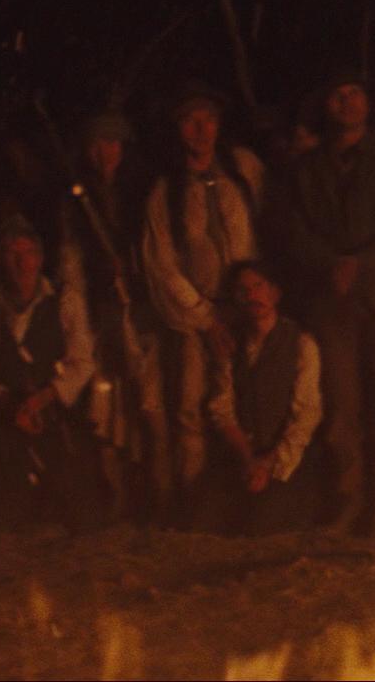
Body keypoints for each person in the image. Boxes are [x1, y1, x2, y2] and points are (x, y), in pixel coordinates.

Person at [281, 72, 375, 534]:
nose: (347, 102)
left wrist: (360, 263)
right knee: (340, 406)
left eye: (355, 93)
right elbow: (293, 230)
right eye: (338, 95)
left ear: (368, 103)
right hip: (332, 298)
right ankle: (347, 499)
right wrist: (330, 263)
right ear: (325, 106)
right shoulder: (305, 169)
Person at [140, 82, 265, 496]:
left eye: (208, 119)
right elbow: (162, 265)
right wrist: (206, 319)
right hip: (198, 313)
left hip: (249, 305)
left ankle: (248, 489)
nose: (200, 129)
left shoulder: (243, 171)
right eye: (190, 121)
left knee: (246, 401)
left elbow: (267, 229)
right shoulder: (166, 192)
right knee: (191, 406)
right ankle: (191, 493)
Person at [0, 218, 101, 531]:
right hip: (5, 420)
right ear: (1, 260)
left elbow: (82, 361)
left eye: (29, 253)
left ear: (40, 258)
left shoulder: (63, 300)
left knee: (83, 513)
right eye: (13, 255)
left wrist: (45, 397)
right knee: (0, 516)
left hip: (54, 417)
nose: (22, 264)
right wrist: (6, 403)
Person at [57, 111, 166, 522]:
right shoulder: (75, 199)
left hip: (143, 309)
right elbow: (71, 258)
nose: (105, 152)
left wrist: (133, 268)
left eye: (112, 143)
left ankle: (158, 495)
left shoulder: (144, 192)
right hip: (101, 309)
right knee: (105, 405)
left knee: (150, 405)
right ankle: (113, 497)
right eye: (97, 144)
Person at [189, 261, 324, 536]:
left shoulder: (301, 343)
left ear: (275, 293)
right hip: (244, 456)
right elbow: (221, 408)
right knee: (201, 522)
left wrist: (268, 463)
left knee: (262, 525)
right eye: (243, 290)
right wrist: (248, 459)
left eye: (258, 286)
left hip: (283, 458)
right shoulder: (232, 345)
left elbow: (307, 414)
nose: (252, 295)